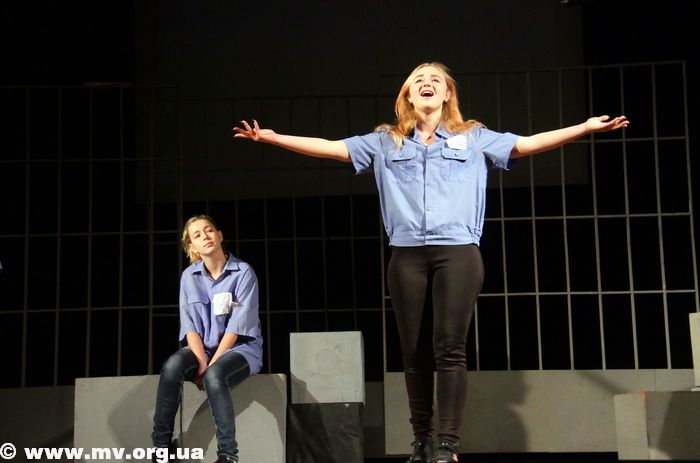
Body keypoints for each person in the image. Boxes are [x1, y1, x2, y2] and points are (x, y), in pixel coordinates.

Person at [233, 61, 628, 463]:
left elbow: (526, 144)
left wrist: (584, 127)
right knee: (413, 352)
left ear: (447, 94)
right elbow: (334, 148)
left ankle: (447, 443)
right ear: (407, 94)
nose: (427, 84)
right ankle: (421, 439)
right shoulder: (386, 141)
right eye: (418, 80)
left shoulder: (473, 137)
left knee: (449, 347)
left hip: (457, 251)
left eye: (435, 80)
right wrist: (274, 138)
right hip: (407, 254)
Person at [151, 214, 263, 463]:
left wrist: (209, 367)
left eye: (209, 230)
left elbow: (236, 327)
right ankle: (161, 447)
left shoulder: (243, 272)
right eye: (197, 235)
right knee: (171, 367)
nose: (205, 236)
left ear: (219, 235)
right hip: (201, 348)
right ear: (192, 247)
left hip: (240, 349)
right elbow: (189, 326)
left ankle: (228, 455)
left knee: (215, 376)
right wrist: (201, 362)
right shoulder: (189, 277)